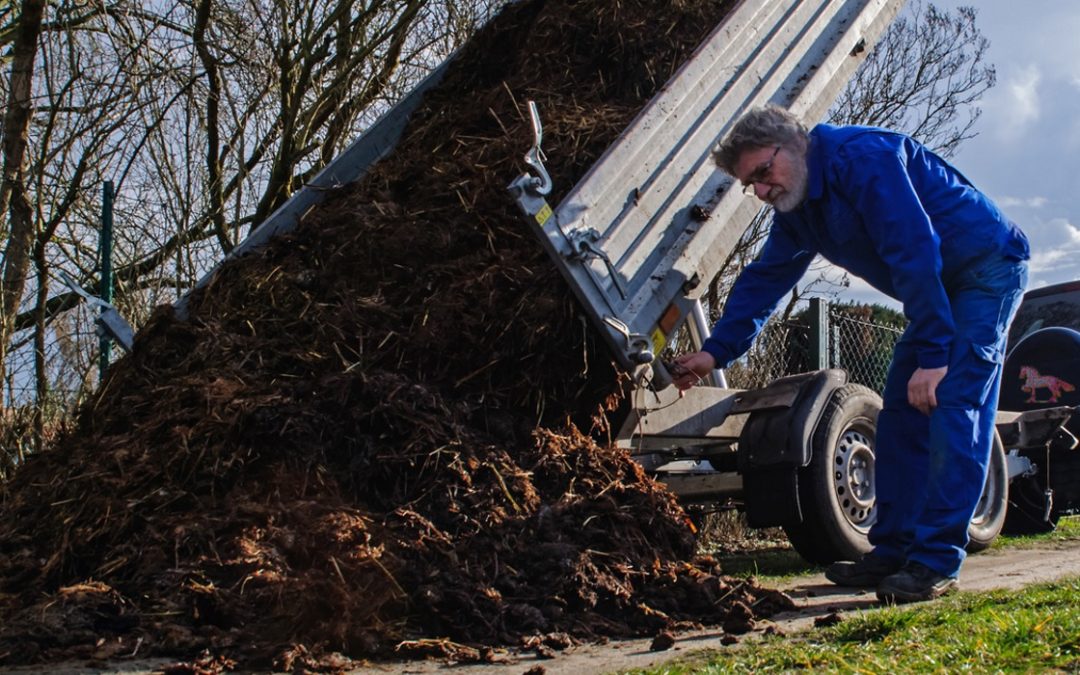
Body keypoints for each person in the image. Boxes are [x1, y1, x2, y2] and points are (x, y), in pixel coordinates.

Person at [673, 105, 1030, 604]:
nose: (759, 190)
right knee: (900, 416)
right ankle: (893, 550)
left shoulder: (864, 159)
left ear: (796, 143)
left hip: (984, 269)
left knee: (953, 403)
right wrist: (713, 353)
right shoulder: (798, 211)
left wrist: (933, 356)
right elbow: (765, 279)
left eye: (762, 173)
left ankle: (934, 563)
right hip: (938, 288)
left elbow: (913, 247)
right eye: (749, 184)